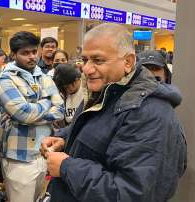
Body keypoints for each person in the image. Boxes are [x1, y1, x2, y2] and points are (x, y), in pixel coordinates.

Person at [41, 23, 187, 202]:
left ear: (128, 62)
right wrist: (65, 138)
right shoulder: (106, 92)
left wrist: (66, 167)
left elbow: (132, 193)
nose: (86, 69)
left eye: (98, 60)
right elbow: (98, 133)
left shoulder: (149, 113)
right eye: (85, 60)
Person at [0, 31, 64, 202]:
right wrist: (47, 102)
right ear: (13, 54)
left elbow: (60, 109)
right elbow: (23, 113)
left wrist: (33, 111)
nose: (31, 57)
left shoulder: (44, 76)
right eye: (25, 53)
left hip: (43, 154)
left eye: (34, 51)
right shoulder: (5, 79)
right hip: (19, 158)